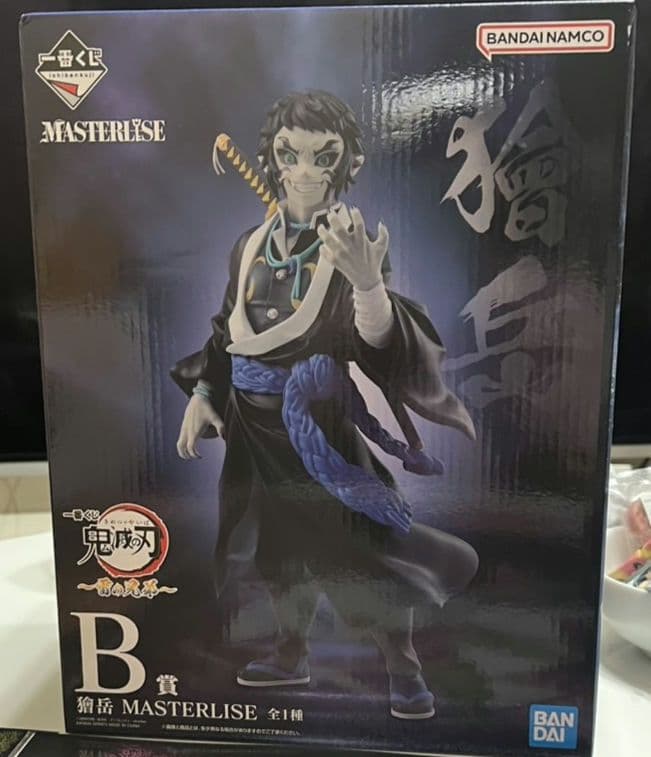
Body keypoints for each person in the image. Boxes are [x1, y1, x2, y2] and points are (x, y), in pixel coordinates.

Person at [171, 90, 479, 720]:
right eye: (291, 155)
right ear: (272, 158)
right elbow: (225, 330)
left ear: (347, 163)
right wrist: (204, 393)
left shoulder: (350, 244)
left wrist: (367, 285)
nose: (306, 172)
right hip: (252, 427)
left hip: (318, 424)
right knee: (277, 550)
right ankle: (291, 654)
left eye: (323, 156)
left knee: (360, 549)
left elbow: (374, 345)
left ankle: (404, 667)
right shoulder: (250, 244)